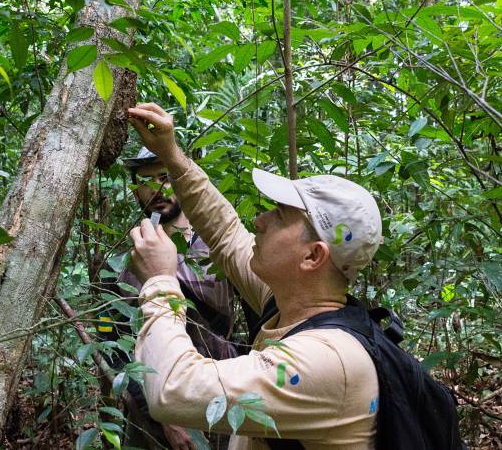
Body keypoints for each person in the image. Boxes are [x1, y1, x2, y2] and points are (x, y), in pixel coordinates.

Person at [125, 103, 383, 449]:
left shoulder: (327, 360)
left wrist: (160, 282)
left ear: (313, 255)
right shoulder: (289, 301)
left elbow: (173, 390)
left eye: (279, 215)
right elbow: (225, 231)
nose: (259, 220)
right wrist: (171, 154)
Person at [100, 146, 238, 450]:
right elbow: (115, 347)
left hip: (221, 393)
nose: (157, 189)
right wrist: (163, 416)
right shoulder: (120, 265)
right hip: (151, 407)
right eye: (144, 181)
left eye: (165, 177)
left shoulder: (223, 249)